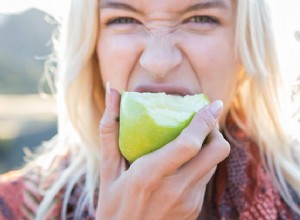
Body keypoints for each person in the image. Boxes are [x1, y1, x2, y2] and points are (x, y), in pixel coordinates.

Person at [0, 0, 300, 219]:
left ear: (247, 46)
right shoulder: (11, 208)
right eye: (123, 19)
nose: (158, 62)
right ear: (92, 49)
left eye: (201, 18)